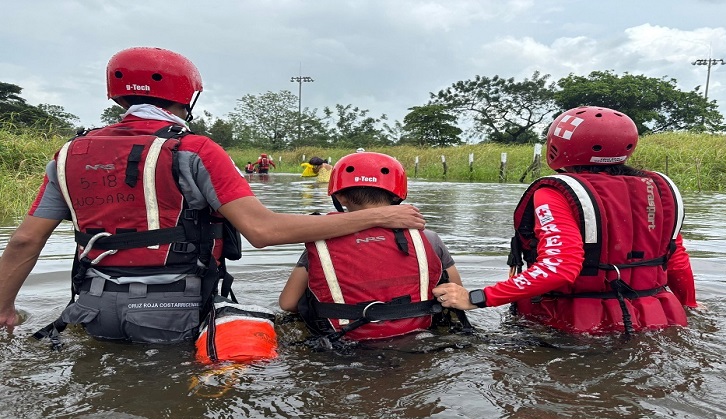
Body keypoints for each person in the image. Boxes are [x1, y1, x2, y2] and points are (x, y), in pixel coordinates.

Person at [0, 47, 425, 347]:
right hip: (176, 309)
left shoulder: (68, 154)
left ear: (116, 93)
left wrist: (5, 311)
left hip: (90, 308)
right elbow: (262, 231)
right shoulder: (195, 149)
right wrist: (376, 218)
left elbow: (23, 242)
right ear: (188, 95)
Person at [433, 106, 697, 336]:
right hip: (661, 319)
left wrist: (477, 298)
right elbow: (675, 259)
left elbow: (560, 267)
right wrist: (690, 305)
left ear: (557, 146)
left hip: (577, 324)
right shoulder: (661, 190)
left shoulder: (556, 192)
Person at [279, 152, 464, 341]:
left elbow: (288, 302)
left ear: (340, 197)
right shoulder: (428, 238)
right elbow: (456, 292)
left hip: (345, 345)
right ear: (397, 196)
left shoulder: (323, 242)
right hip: (418, 338)